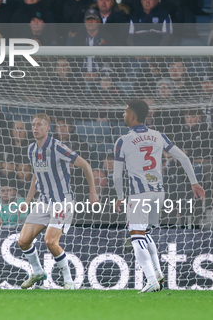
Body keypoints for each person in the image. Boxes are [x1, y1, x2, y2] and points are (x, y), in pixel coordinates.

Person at [113, 99, 205, 292]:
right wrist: (194, 182)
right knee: (145, 234)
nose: (123, 115)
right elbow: (184, 157)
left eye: (125, 112)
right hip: (158, 193)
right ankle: (158, 274)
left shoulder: (123, 141)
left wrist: (120, 196)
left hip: (139, 194)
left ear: (132, 115)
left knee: (136, 237)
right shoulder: (158, 136)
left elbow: (116, 174)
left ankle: (150, 279)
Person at [17, 113, 98, 290]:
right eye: (33, 125)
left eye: (39, 125)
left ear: (47, 128)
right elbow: (36, 175)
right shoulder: (31, 149)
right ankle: (38, 271)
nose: (35, 128)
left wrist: (93, 192)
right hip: (43, 202)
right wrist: (28, 200)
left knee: (50, 241)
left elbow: (85, 165)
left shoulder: (58, 147)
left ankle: (69, 281)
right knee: (23, 241)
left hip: (62, 201)